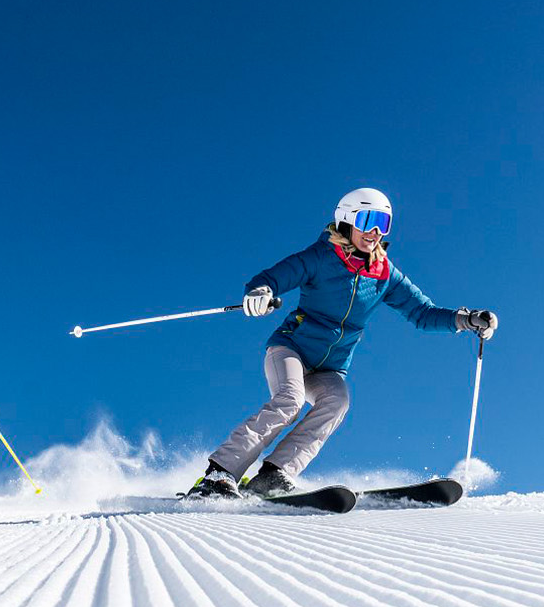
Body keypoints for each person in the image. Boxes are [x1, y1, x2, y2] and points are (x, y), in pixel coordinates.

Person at [186, 188, 498, 500]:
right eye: (368, 220)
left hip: (330, 367)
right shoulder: (321, 257)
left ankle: (273, 475)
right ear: (347, 220)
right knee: (290, 400)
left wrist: (465, 319)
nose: (375, 232)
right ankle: (219, 474)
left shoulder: (385, 275)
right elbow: (273, 277)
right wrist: (260, 292)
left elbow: (422, 312)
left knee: (337, 401)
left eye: (383, 223)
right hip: (290, 349)